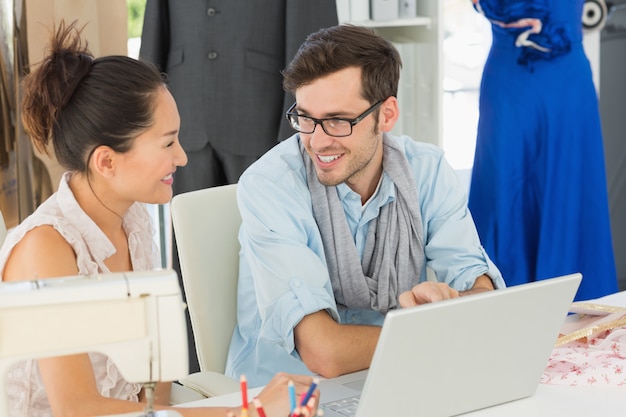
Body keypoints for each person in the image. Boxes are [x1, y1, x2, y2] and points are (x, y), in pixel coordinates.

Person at [0, 20, 317, 417]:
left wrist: (254, 409)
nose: (182, 157)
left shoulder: (134, 223)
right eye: (168, 142)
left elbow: (155, 394)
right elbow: (77, 409)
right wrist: (249, 410)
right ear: (106, 161)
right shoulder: (46, 250)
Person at [225, 24, 506, 388]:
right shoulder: (270, 186)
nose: (318, 141)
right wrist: (434, 329)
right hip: (288, 394)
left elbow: (484, 294)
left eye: (338, 120)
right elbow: (323, 352)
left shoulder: (428, 171)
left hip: (396, 375)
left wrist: (452, 301)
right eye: (306, 118)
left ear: (386, 115)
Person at [138, 0, 339, 373]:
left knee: (272, 256)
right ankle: (194, 375)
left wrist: (299, 129)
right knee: (190, 261)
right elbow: (156, 23)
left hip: (262, 112)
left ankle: (267, 369)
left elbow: (315, 33)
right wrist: (146, 112)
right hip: (187, 112)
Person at [467, 0, 618, 301]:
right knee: (503, 187)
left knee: (569, 188)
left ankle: (575, 309)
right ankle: (499, 305)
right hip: (509, 80)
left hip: (566, 83)